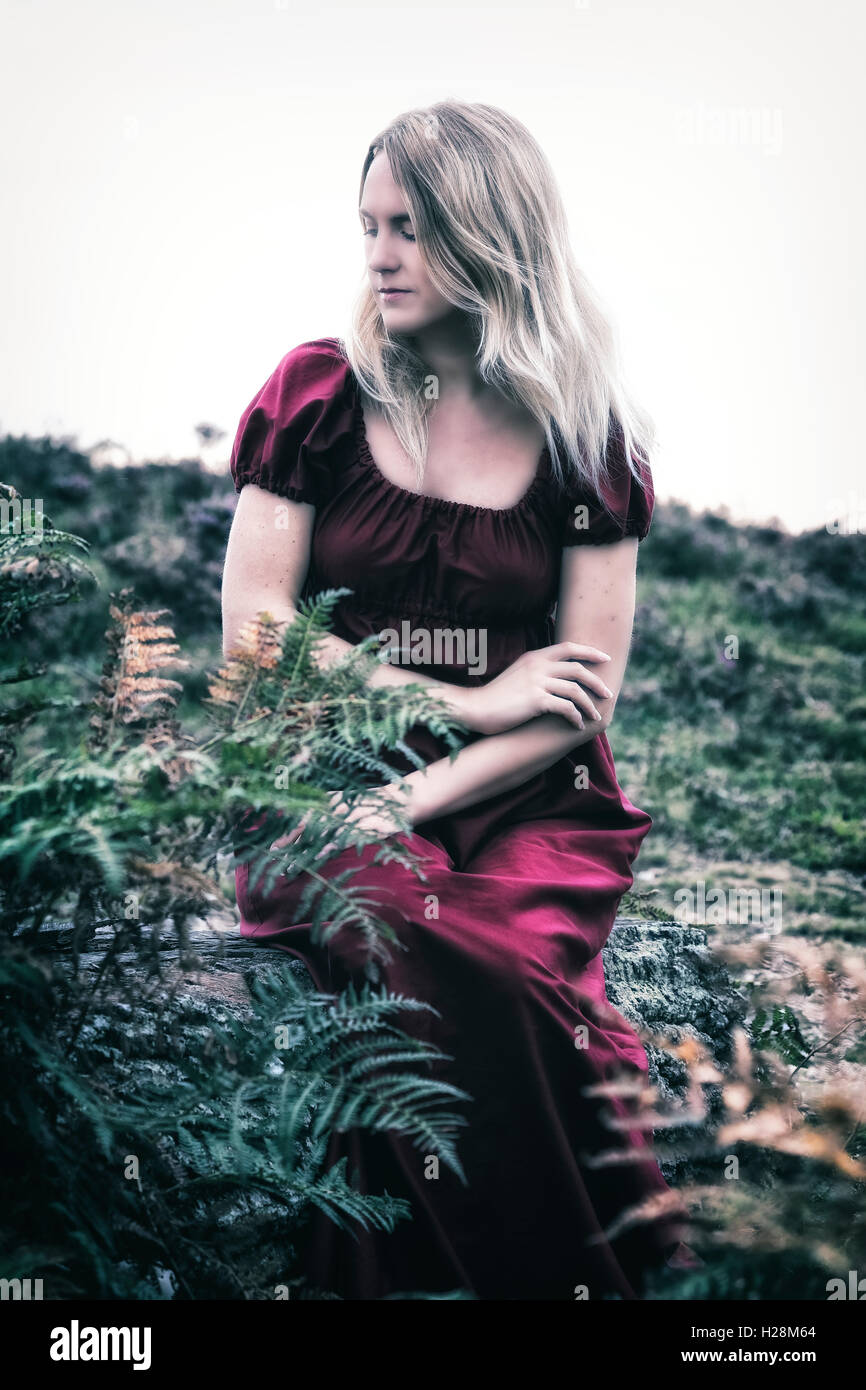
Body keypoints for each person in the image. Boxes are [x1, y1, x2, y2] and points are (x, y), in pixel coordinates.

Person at [221, 99, 693, 1300]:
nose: (378, 256)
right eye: (369, 225)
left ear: (492, 241)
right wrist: (461, 699)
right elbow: (260, 637)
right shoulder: (316, 397)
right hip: (323, 774)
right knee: (395, 923)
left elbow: (577, 695)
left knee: (508, 956)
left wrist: (441, 776)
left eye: (412, 230)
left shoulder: (587, 443)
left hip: (527, 799)